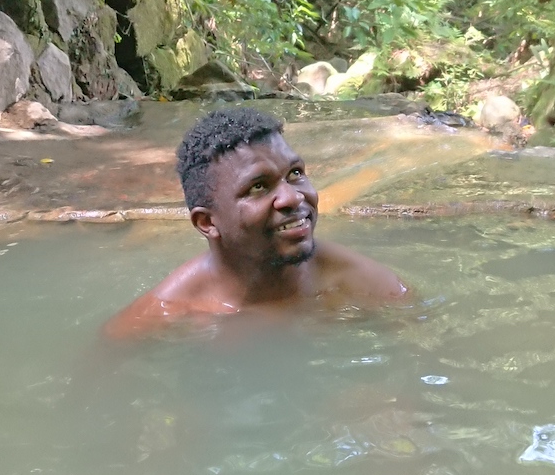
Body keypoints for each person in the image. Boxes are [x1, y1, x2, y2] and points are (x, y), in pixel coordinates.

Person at [104, 108, 409, 338]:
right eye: (259, 187)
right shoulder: (168, 313)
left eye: (296, 174)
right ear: (207, 222)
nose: (292, 197)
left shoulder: (361, 284)